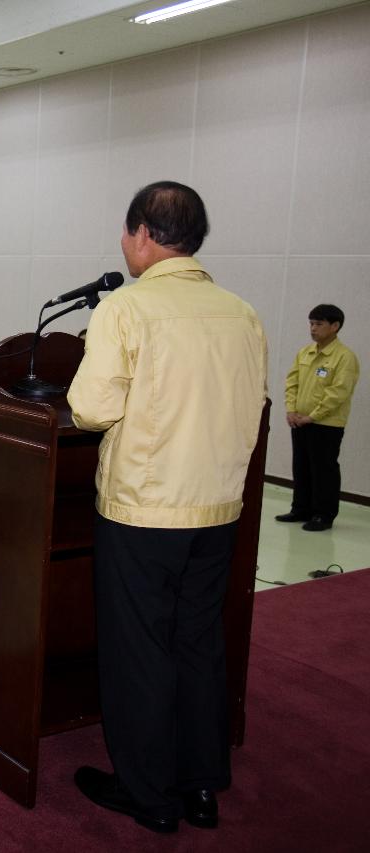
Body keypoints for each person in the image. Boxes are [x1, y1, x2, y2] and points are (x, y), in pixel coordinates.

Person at [66, 181, 268, 834]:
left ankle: (148, 793)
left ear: (144, 234)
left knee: (142, 651)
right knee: (200, 643)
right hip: (219, 510)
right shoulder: (242, 312)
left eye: (127, 233)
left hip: (143, 509)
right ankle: (201, 784)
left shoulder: (127, 310)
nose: (125, 244)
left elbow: (91, 408)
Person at [277, 304, 360, 531]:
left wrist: (312, 416)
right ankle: (300, 509)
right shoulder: (305, 352)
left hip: (326, 424)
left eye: (319, 324)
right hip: (299, 421)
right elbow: (292, 382)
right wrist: (291, 410)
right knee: (301, 466)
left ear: (335, 326)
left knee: (323, 470)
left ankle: (323, 515)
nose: (313, 329)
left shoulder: (344, 357)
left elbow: (338, 393)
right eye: (311, 323)